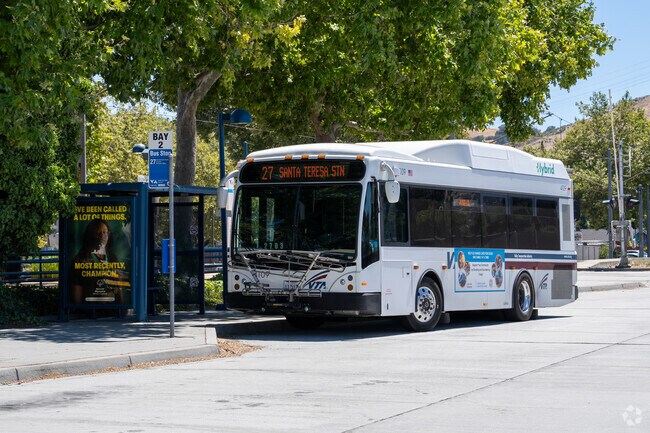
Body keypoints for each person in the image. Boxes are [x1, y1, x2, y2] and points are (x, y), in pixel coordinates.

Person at [70, 219, 126, 304]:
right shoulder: (79, 260)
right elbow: (77, 299)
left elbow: (119, 288)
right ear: (90, 235)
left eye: (105, 232)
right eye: (98, 233)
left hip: (112, 311)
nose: (102, 236)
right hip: (91, 312)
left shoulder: (112, 258)